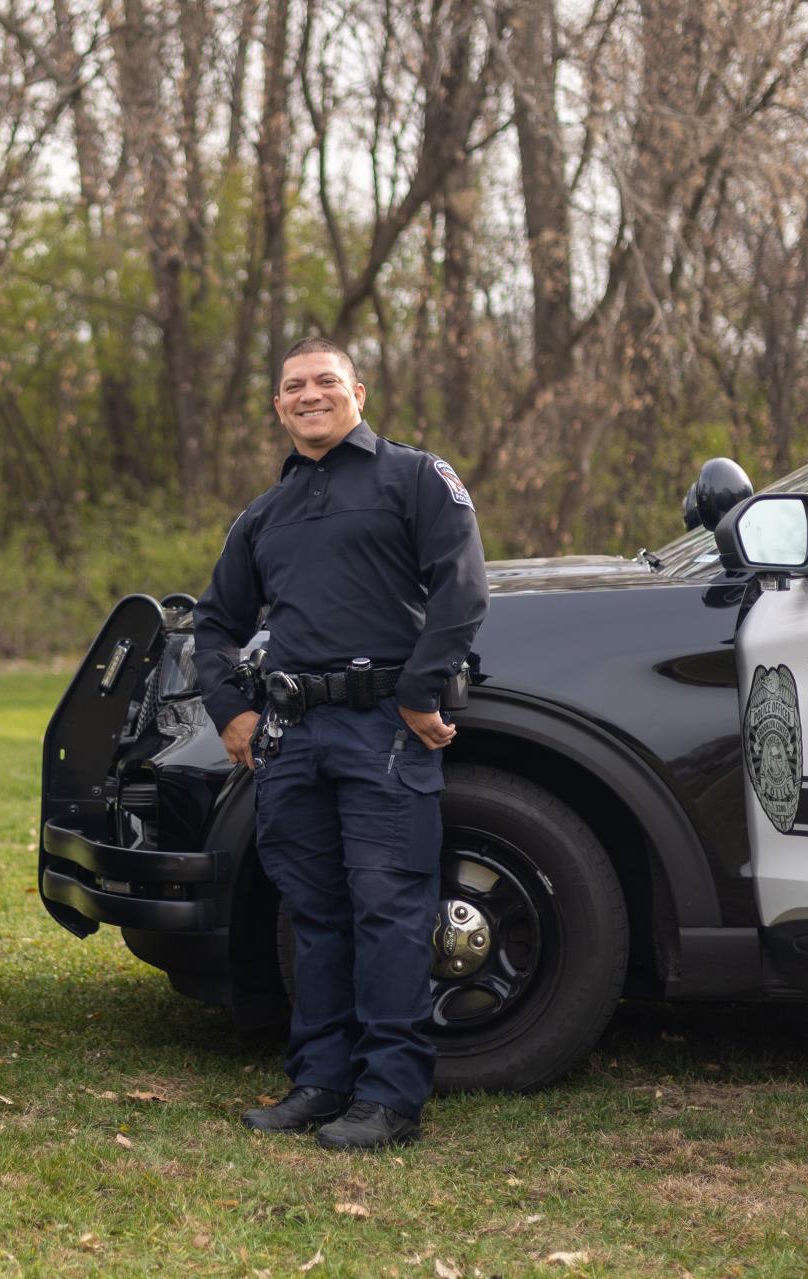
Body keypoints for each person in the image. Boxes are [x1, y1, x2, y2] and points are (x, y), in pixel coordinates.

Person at [193, 336, 489, 1151]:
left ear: (358, 390)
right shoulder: (264, 513)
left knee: (390, 910)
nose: (310, 394)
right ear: (278, 406)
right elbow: (215, 624)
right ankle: (320, 1082)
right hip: (291, 736)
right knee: (316, 913)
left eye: (326, 380)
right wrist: (233, 713)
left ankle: (390, 1098)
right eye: (294, 386)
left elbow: (462, 586)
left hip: (383, 732)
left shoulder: (414, 477)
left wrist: (420, 690)